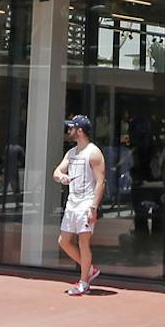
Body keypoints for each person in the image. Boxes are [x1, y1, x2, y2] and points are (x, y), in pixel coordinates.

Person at [53, 114, 105, 295]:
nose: (69, 131)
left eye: (72, 128)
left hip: (86, 203)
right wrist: (61, 176)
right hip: (72, 203)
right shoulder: (71, 152)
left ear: (80, 131)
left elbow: (100, 182)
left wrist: (93, 207)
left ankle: (84, 281)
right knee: (64, 241)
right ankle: (89, 269)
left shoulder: (94, 152)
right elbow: (57, 171)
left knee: (83, 242)